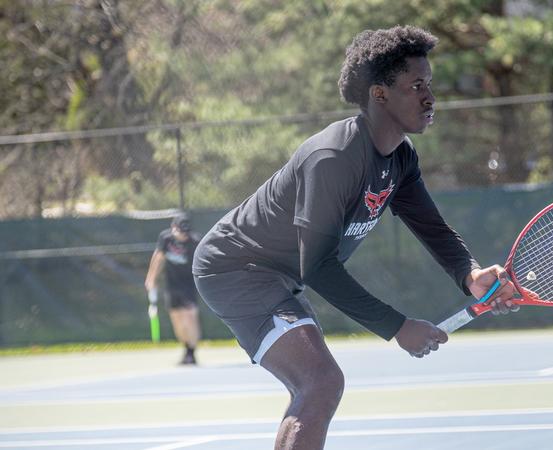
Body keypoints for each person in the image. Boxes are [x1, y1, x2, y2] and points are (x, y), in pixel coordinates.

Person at [192, 25, 518, 449]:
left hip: (278, 276)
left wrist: (470, 275)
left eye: (429, 84)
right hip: (236, 269)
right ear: (380, 94)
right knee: (321, 382)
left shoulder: (400, 157)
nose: (430, 97)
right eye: (416, 86)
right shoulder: (333, 157)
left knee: (317, 385)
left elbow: (432, 228)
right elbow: (319, 268)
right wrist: (397, 326)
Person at [145, 212, 203, 365]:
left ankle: (192, 352)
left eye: (186, 232)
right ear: (173, 228)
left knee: (190, 317)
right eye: (180, 232)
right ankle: (187, 348)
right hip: (171, 286)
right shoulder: (165, 238)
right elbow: (158, 257)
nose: (183, 236)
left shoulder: (196, 241)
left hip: (189, 285)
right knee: (177, 320)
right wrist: (151, 278)